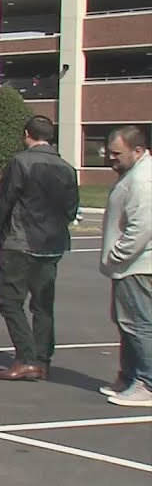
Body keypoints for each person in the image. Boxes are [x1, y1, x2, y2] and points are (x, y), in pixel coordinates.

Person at [0, 116, 79, 381]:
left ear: (27, 134)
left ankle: (26, 357)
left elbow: (4, 200)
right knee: (43, 304)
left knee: (10, 301)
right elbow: (71, 209)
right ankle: (42, 359)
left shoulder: (21, 162)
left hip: (22, 241)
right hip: (52, 243)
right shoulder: (67, 168)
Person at [98, 125, 152, 407]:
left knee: (139, 323)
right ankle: (130, 376)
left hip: (137, 265)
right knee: (127, 322)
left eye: (117, 153)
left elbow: (141, 226)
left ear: (138, 151)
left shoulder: (143, 181)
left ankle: (147, 383)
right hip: (128, 266)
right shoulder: (133, 175)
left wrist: (117, 255)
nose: (110, 157)